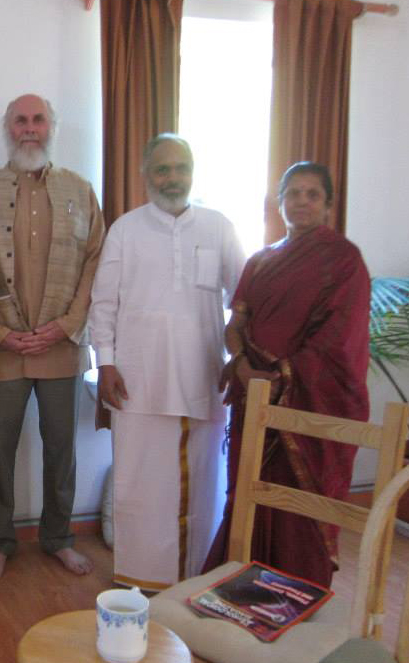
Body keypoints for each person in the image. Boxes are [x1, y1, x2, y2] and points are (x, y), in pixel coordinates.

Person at [89, 134, 245, 592]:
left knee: (202, 483)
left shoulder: (218, 227)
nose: (172, 178)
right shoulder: (126, 229)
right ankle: (139, 580)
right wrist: (106, 364)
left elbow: (244, 299)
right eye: (162, 169)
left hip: (201, 376)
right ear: (145, 175)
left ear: (192, 172)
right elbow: (103, 302)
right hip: (137, 380)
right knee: (140, 485)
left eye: (181, 168)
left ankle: (197, 578)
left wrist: (238, 356)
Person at [203, 162, 370, 588]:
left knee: (297, 505)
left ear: (328, 205)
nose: (301, 202)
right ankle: (239, 583)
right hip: (252, 396)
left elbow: (339, 338)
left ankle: (298, 592)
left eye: (312, 194)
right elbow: (235, 325)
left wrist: (281, 379)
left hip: (307, 401)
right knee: (248, 492)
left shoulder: (344, 260)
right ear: (279, 203)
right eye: (293, 193)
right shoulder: (261, 261)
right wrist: (244, 368)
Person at [0, 93, 105, 582]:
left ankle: (59, 538)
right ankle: (0, 541)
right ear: (8, 129)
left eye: (38, 119)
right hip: (1, 349)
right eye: (20, 120)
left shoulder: (80, 190)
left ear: (51, 127)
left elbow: (95, 262)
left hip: (61, 346)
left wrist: (67, 325)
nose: (29, 128)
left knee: (61, 449)